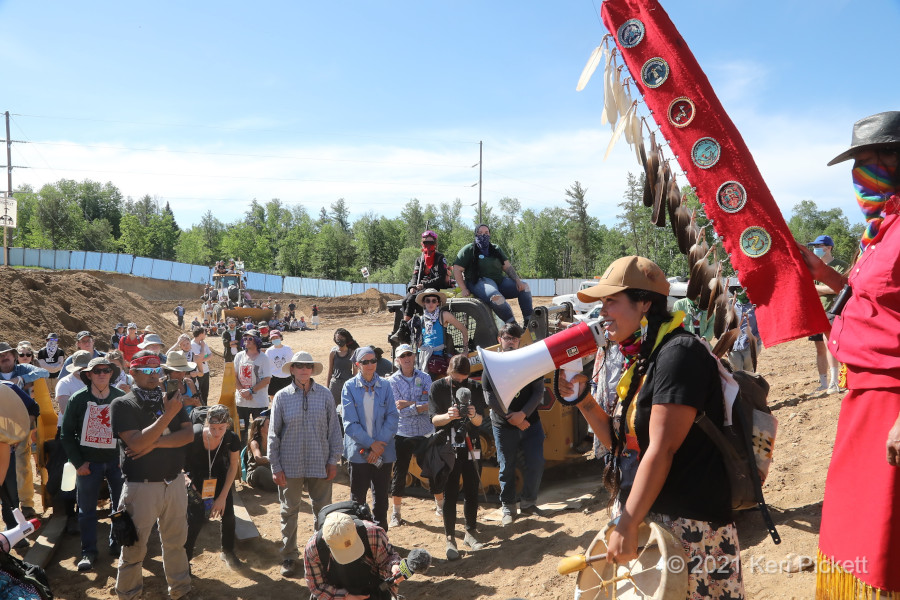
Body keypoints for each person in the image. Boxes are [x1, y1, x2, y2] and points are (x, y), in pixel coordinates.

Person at [561, 255, 743, 598]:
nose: (602, 312)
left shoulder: (679, 353)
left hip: (689, 526)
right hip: (651, 516)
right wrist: (583, 400)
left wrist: (627, 524)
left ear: (644, 302)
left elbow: (662, 448)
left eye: (610, 301)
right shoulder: (644, 358)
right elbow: (623, 446)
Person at [798, 111, 900, 597]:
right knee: (851, 531)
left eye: (867, 160)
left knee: (883, 545)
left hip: (893, 405)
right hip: (862, 399)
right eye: (854, 163)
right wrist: (824, 274)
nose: (859, 175)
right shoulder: (881, 232)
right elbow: (875, 303)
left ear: (894, 161)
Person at [111, 351, 193, 600]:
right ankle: (128, 594)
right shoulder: (123, 404)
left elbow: (188, 436)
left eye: (156, 370)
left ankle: (181, 591)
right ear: (132, 372)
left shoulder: (170, 399)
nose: (153, 375)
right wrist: (168, 416)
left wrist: (155, 444)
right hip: (141, 486)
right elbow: (136, 444)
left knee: (176, 543)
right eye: (145, 370)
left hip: (174, 482)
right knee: (133, 547)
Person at [269, 351, 342, 578]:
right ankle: (289, 555)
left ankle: (320, 554)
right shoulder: (281, 397)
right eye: (299, 366)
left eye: (307, 366)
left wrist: (333, 461)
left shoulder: (326, 395)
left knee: (323, 510)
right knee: (289, 510)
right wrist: (275, 466)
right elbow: (273, 435)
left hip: (320, 461)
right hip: (289, 464)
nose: (303, 370)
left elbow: (334, 431)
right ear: (292, 369)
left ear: (312, 370)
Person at [60, 356, 125, 572]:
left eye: (106, 370)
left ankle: (117, 544)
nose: (102, 374)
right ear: (89, 375)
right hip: (88, 464)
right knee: (86, 510)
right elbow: (67, 434)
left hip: (115, 463)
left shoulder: (120, 398)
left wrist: (123, 459)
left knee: (120, 506)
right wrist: (78, 463)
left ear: (111, 373)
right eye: (97, 371)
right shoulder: (77, 399)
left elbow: (129, 433)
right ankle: (88, 551)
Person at [483, 323, 546, 527]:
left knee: (535, 463)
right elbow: (489, 397)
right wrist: (511, 417)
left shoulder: (529, 362)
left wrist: (523, 415)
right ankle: (508, 508)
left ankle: (529, 503)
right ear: (499, 340)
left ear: (519, 341)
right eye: (507, 338)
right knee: (506, 467)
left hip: (530, 422)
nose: (510, 341)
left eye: (514, 338)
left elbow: (538, 391)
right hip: (503, 424)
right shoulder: (491, 364)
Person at [428, 354, 486, 560]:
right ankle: (450, 538)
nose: (460, 382)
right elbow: (434, 419)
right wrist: (449, 416)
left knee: (472, 489)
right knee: (450, 491)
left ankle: (470, 532)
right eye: (456, 378)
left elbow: (480, 422)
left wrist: (472, 415)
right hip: (447, 447)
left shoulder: (475, 387)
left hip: (471, 445)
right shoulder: (437, 387)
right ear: (448, 372)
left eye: (464, 379)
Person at [342, 347, 399, 533]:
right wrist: (371, 445)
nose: (370, 365)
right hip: (360, 453)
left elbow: (392, 416)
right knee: (358, 498)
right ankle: (360, 537)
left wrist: (378, 445)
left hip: (383, 451)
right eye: (365, 362)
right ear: (357, 365)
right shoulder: (349, 387)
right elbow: (349, 423)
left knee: (381, 498)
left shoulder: (385, 385)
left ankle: (381, 536)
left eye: (373, 361)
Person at [387, 344, 443, 526]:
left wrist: (410, 404)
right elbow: (398, 409)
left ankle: (440, 506)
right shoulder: (392, 382)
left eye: (409, 354)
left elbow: (432, 402)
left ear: (414, 356)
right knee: (400, 472)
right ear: (397, 361)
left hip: (425, 432)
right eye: (403, 356)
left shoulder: (425, 377)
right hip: (403, 433)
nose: (407, 358)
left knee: (433, 469)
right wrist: (420, 406)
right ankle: (396, 513)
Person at [183, 405, 242, 568]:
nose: (216, 433)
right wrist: (186, 480)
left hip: (219, 476)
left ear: (227, 426)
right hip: (194, 478)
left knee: (228, 514)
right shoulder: (194, 435)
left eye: (221, 428)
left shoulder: (231, 438)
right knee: (195, 521)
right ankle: (184, 561)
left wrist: (222, 497)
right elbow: (179, 462)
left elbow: (233, 465)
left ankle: (228, 551)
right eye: (213, 428)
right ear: (206, 424)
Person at [303, 511, 401, 600]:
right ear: (325, 540)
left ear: (354, 527)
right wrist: (345, 597)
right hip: (336, 593)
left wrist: (394, 566)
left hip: (373, 588)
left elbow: (388, 559)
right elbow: (316, 586)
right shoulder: (314, 548)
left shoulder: (374, 533)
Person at [452, 223, 533, 325]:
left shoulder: (495, 249)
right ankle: (512, 326)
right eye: (480, 233)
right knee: (496, 297)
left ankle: (529, 322)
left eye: (486, 233)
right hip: (478, 282)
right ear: (475, 234)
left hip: (499, 281)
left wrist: (517, 281)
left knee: (525, 287)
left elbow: (507, 267)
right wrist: (463, 288)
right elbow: (457, 269)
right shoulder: (469, 249)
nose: (483, 235)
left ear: (490, 234)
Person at [806, 234, 850, 393]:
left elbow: (840, 288)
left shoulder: (840, 266)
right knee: (820, 347)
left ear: (829, 247)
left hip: (835, 310)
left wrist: (818, 290)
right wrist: (824, 289)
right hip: (816, 311)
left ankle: (836, 381)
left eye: (819, 246)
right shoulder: (811, 268)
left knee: (831, 344)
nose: (815, 249)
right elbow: (807, 289)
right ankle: (824, 382)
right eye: (814, 247)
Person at [392, 230, 452, 344]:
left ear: (435, 243)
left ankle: (403, 331)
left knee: (411, 299)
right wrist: (412, 287)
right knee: (405, 300)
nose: (428, 245)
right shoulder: (419, 259)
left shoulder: (440, 257)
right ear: (422, 244)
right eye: (425, 243)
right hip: (420, 287)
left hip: (434, 286)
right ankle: (406, 331)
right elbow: (415, 276)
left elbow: (440, 277)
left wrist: (424, 285)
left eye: (431, 242)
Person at [412, 289, 469, 380]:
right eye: (428, 301)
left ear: (438, 303)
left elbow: (463, 329)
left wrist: (465, 350)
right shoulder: (421, 319)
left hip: (438, 361)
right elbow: (420, 342)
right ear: (424, 303)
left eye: (434, 301)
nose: (431, 303)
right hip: (422, 360)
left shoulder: (443, 315)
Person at [233, 329, 272, 445]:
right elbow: (234, 376)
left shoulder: (263, 358)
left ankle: (258, 456)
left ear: (257, 340)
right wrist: (241, 391)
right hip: (241, 402)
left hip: (259, 402)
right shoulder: (239, 356)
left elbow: (267, 379)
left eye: (250, 338)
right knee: (241, 431)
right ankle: (242, 456)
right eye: (245, 338)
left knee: (259, 432)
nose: (247, 341)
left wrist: (250, 390)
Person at [325, 328, 358, 411]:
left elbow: (355, 373)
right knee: (331, 408)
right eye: (338, 339)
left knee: (349, 408)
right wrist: (327, 387)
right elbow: (330, 371)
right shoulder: (333, 353)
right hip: (335, 383)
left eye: (342, 338)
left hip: (348, 383)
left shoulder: (352, 353)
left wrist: (355, 387)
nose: (340, 340)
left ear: (346, 338)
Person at [244, 413, 275, 492]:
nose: (272, 426)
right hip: (255, 473)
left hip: (270, 471)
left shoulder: (273, 440)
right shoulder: (254, 443)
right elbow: (258, 459)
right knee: (261, 470)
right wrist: (273, 458)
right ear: (261, 428)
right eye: (268, 425)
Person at [265, 330, 293, 397]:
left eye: (276, 338)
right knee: (274, 397)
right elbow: (266, 365)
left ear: (280, 337)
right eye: (273, 338)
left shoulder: (287, 349)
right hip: (274, 378)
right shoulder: (269, 351)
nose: (275, 340)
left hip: (287, 377)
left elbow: (292, 362)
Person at [190, 327, 211, 404]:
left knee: (205, 393)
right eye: (204, 333)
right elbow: (200, 356)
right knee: (199, 393)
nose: (205, 335)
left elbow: (210, 355)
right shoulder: (192, 344)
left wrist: (202, 359)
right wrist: (202, 347)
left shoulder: (203, 343)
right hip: (198, 372)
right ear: (201, 334)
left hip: (206, 371)